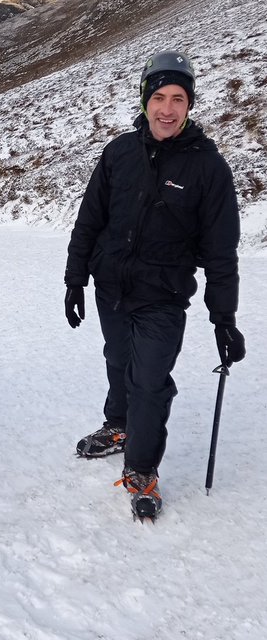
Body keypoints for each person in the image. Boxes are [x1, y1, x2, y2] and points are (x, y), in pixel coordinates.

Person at [63, 50, 245, 519]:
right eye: (159, 97)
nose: (167, 109)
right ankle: (119, 425)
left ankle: (141, 468)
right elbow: (89, 221)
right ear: (145, 100)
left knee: (149, 381)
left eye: (178, 99)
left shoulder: (208, 169)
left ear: (190, 105)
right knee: (118, 359)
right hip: (112, 287)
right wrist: (75, 279)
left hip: (163, 296)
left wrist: (224, 318)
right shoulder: (119, 153)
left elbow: (222, 253)